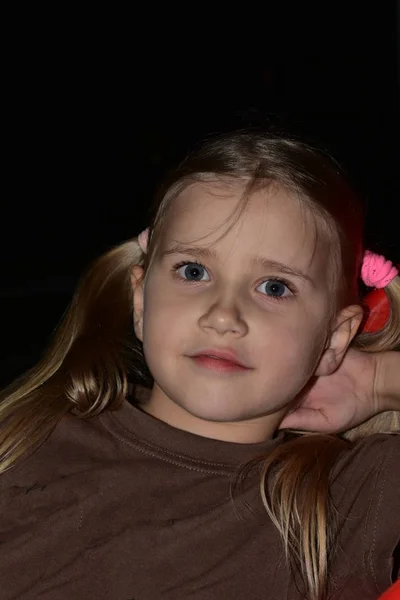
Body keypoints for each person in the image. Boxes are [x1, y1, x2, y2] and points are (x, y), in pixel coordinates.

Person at [0, 130, 399, 600]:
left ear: (334, 336)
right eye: (194, 272)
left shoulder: (350, 494)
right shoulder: (28, 437)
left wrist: (378, 383)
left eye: (274, 287)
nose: (223, 316)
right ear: (141, 301)